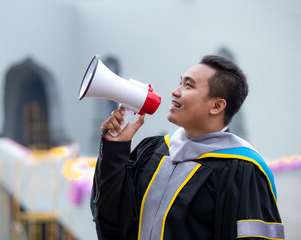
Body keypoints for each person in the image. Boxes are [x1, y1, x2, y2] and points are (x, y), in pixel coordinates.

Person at [90, 55, 284, 240]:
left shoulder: (242, 170)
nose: (175, 91)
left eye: (188, 85)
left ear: (216, 106)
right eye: (180, 82)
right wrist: (115, 149)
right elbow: (112, 217)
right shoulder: (154, 150)